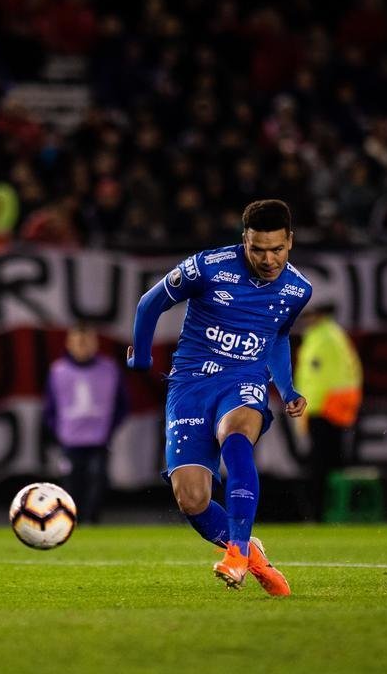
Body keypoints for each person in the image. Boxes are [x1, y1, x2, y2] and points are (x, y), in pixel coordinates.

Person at [126, 199, 311, 595]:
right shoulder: (207, 267)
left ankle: (237, 553)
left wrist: (287, 387)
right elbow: (149, 303)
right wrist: (141, 357)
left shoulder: (298, 289)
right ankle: (251, 552)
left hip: (244, 378)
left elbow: (277, 336)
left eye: (277, 249)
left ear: (290, 242)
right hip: (191, 383)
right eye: (258, 249)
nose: (268, 259)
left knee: (236, 434)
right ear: (244, 240)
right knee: (192, 499)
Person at [42, 324, 129, 524]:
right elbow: (50, 408)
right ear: (69, 344)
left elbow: (122, 404)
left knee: (97, 481)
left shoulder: (109, 369)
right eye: (78, 342)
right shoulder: (58, 371)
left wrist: (108, 429)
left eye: (87, 341)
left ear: (95, 343)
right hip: (70, 442)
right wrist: (59, 433)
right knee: (71, 484)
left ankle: (91, 522)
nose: (82, 346)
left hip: (98, 441)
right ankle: (72, 521)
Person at [293, 310, 363, 519]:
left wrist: (305, 411)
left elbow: (317, 381)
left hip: (323, 409)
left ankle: (319, 514)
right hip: (332, 408)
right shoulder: (330, 335)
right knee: (332, 464)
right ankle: (332, 513)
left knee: (320, 466)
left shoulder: (322, 339)